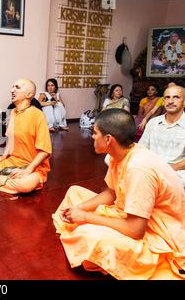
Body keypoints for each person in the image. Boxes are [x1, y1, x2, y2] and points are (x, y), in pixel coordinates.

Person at [53, 108, 185, 280]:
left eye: (95, 133)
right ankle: (78, 227)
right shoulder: (120, 154)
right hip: (126, 212)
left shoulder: (138, 168)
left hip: (155, 235)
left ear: (108, 139)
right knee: (74, 193)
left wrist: (85, 217)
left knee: (89, 234)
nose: (92, 137)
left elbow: (136, 229)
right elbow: (111, 194)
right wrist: (78, 208)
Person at [0, 78, 52, 194]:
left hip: (32, 167)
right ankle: (3, 178)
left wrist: (27, 170)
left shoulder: (38, 115)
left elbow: (44, 151)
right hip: (12, 162)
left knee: (26, 184)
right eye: (12, 87)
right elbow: (11, 139)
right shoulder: (13, 112)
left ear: (29, 94)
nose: (12, 90)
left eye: (17, 87)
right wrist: (2, 157)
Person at [139, 85, 185, 187]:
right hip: (151, 168)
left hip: (177, 171)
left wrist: (168, 168)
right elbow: (142, 149)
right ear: (163, 102)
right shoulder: (153, 123)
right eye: (167, 97)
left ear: (184, 102)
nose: (171, 101)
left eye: (176, 97)